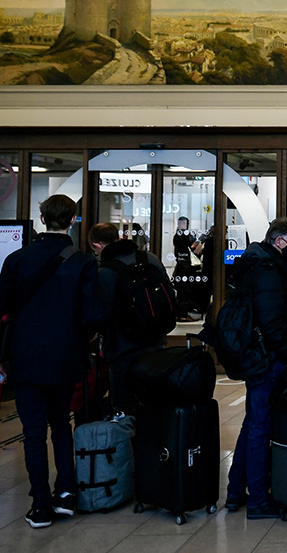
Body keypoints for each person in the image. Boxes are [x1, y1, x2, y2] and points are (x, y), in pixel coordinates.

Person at [0, 195, 100, 528]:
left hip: (26, 356)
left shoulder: (17, 260)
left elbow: (4, 311)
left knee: (32, 433)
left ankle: (40, 505)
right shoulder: (84, 263)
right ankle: (67, 493)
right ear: (72, 220)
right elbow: (91, 315)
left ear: (41, 219)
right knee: (61, 424)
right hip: (65, 354)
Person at [225, 218, 287, 519]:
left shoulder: (267, 264)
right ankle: (258, 500)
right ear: (279, 242)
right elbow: (273, 322)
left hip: (259, 355)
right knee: (261, 427)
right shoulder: (266, 272)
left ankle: (237, 490)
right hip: (266, 359)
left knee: (253, 424)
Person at [89, 222, 174, 416]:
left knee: (125, 407)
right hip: (155, 342)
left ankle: (129, 445)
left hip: (122, 348)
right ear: (119, 237)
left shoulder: (104, 272)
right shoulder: (149, 259)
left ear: (96, 245)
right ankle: (153, 444)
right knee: (153, 404)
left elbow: (101, 314)